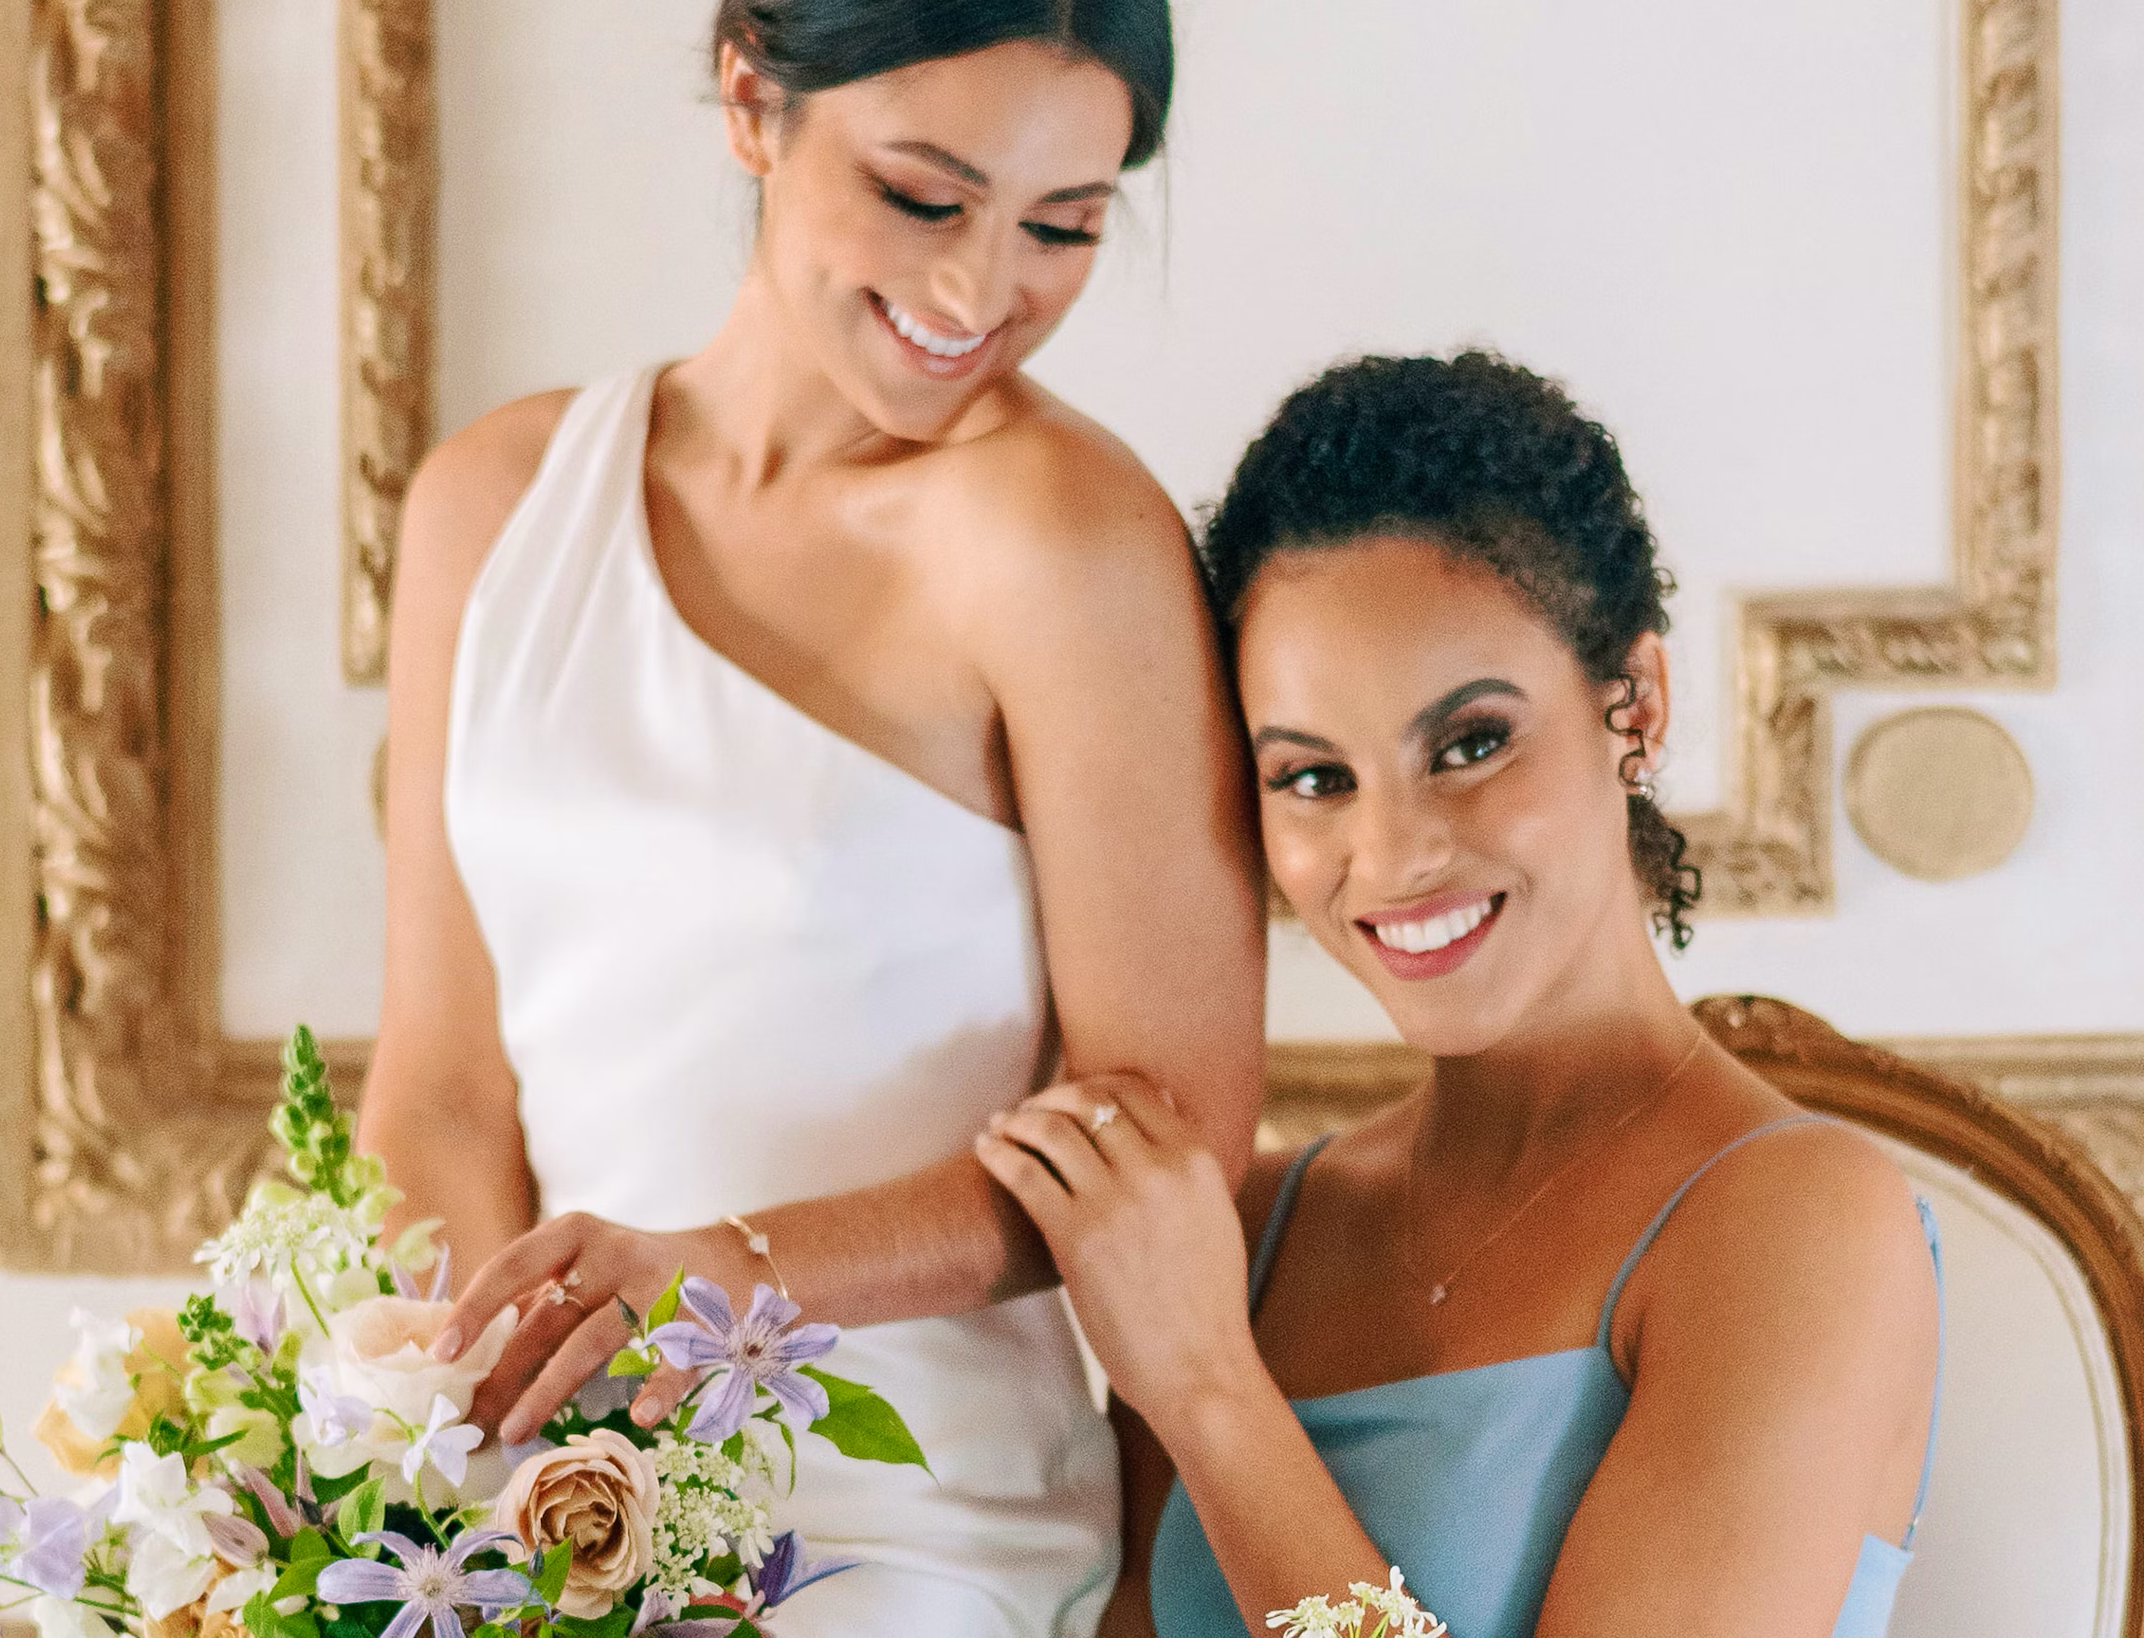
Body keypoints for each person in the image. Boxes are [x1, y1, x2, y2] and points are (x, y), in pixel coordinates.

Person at [354, 3, 1265, 1632]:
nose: (983, 292)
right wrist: (462, 1460)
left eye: (1064, 226)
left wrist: (738, 1271)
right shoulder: (490, 505)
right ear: (751, 101)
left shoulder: (1062, 538)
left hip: (899, 1516)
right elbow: (438, 1086)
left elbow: (1167, 1126)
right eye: (927, 197)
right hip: (530, 1478)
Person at [976, 353, 1944, 1638]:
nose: (1391, 857)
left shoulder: (1800, 1223)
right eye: (1314, 779)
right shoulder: (1239, 1230)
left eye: (1471, 744)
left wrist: (1210, 1390)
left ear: (1635, 707)